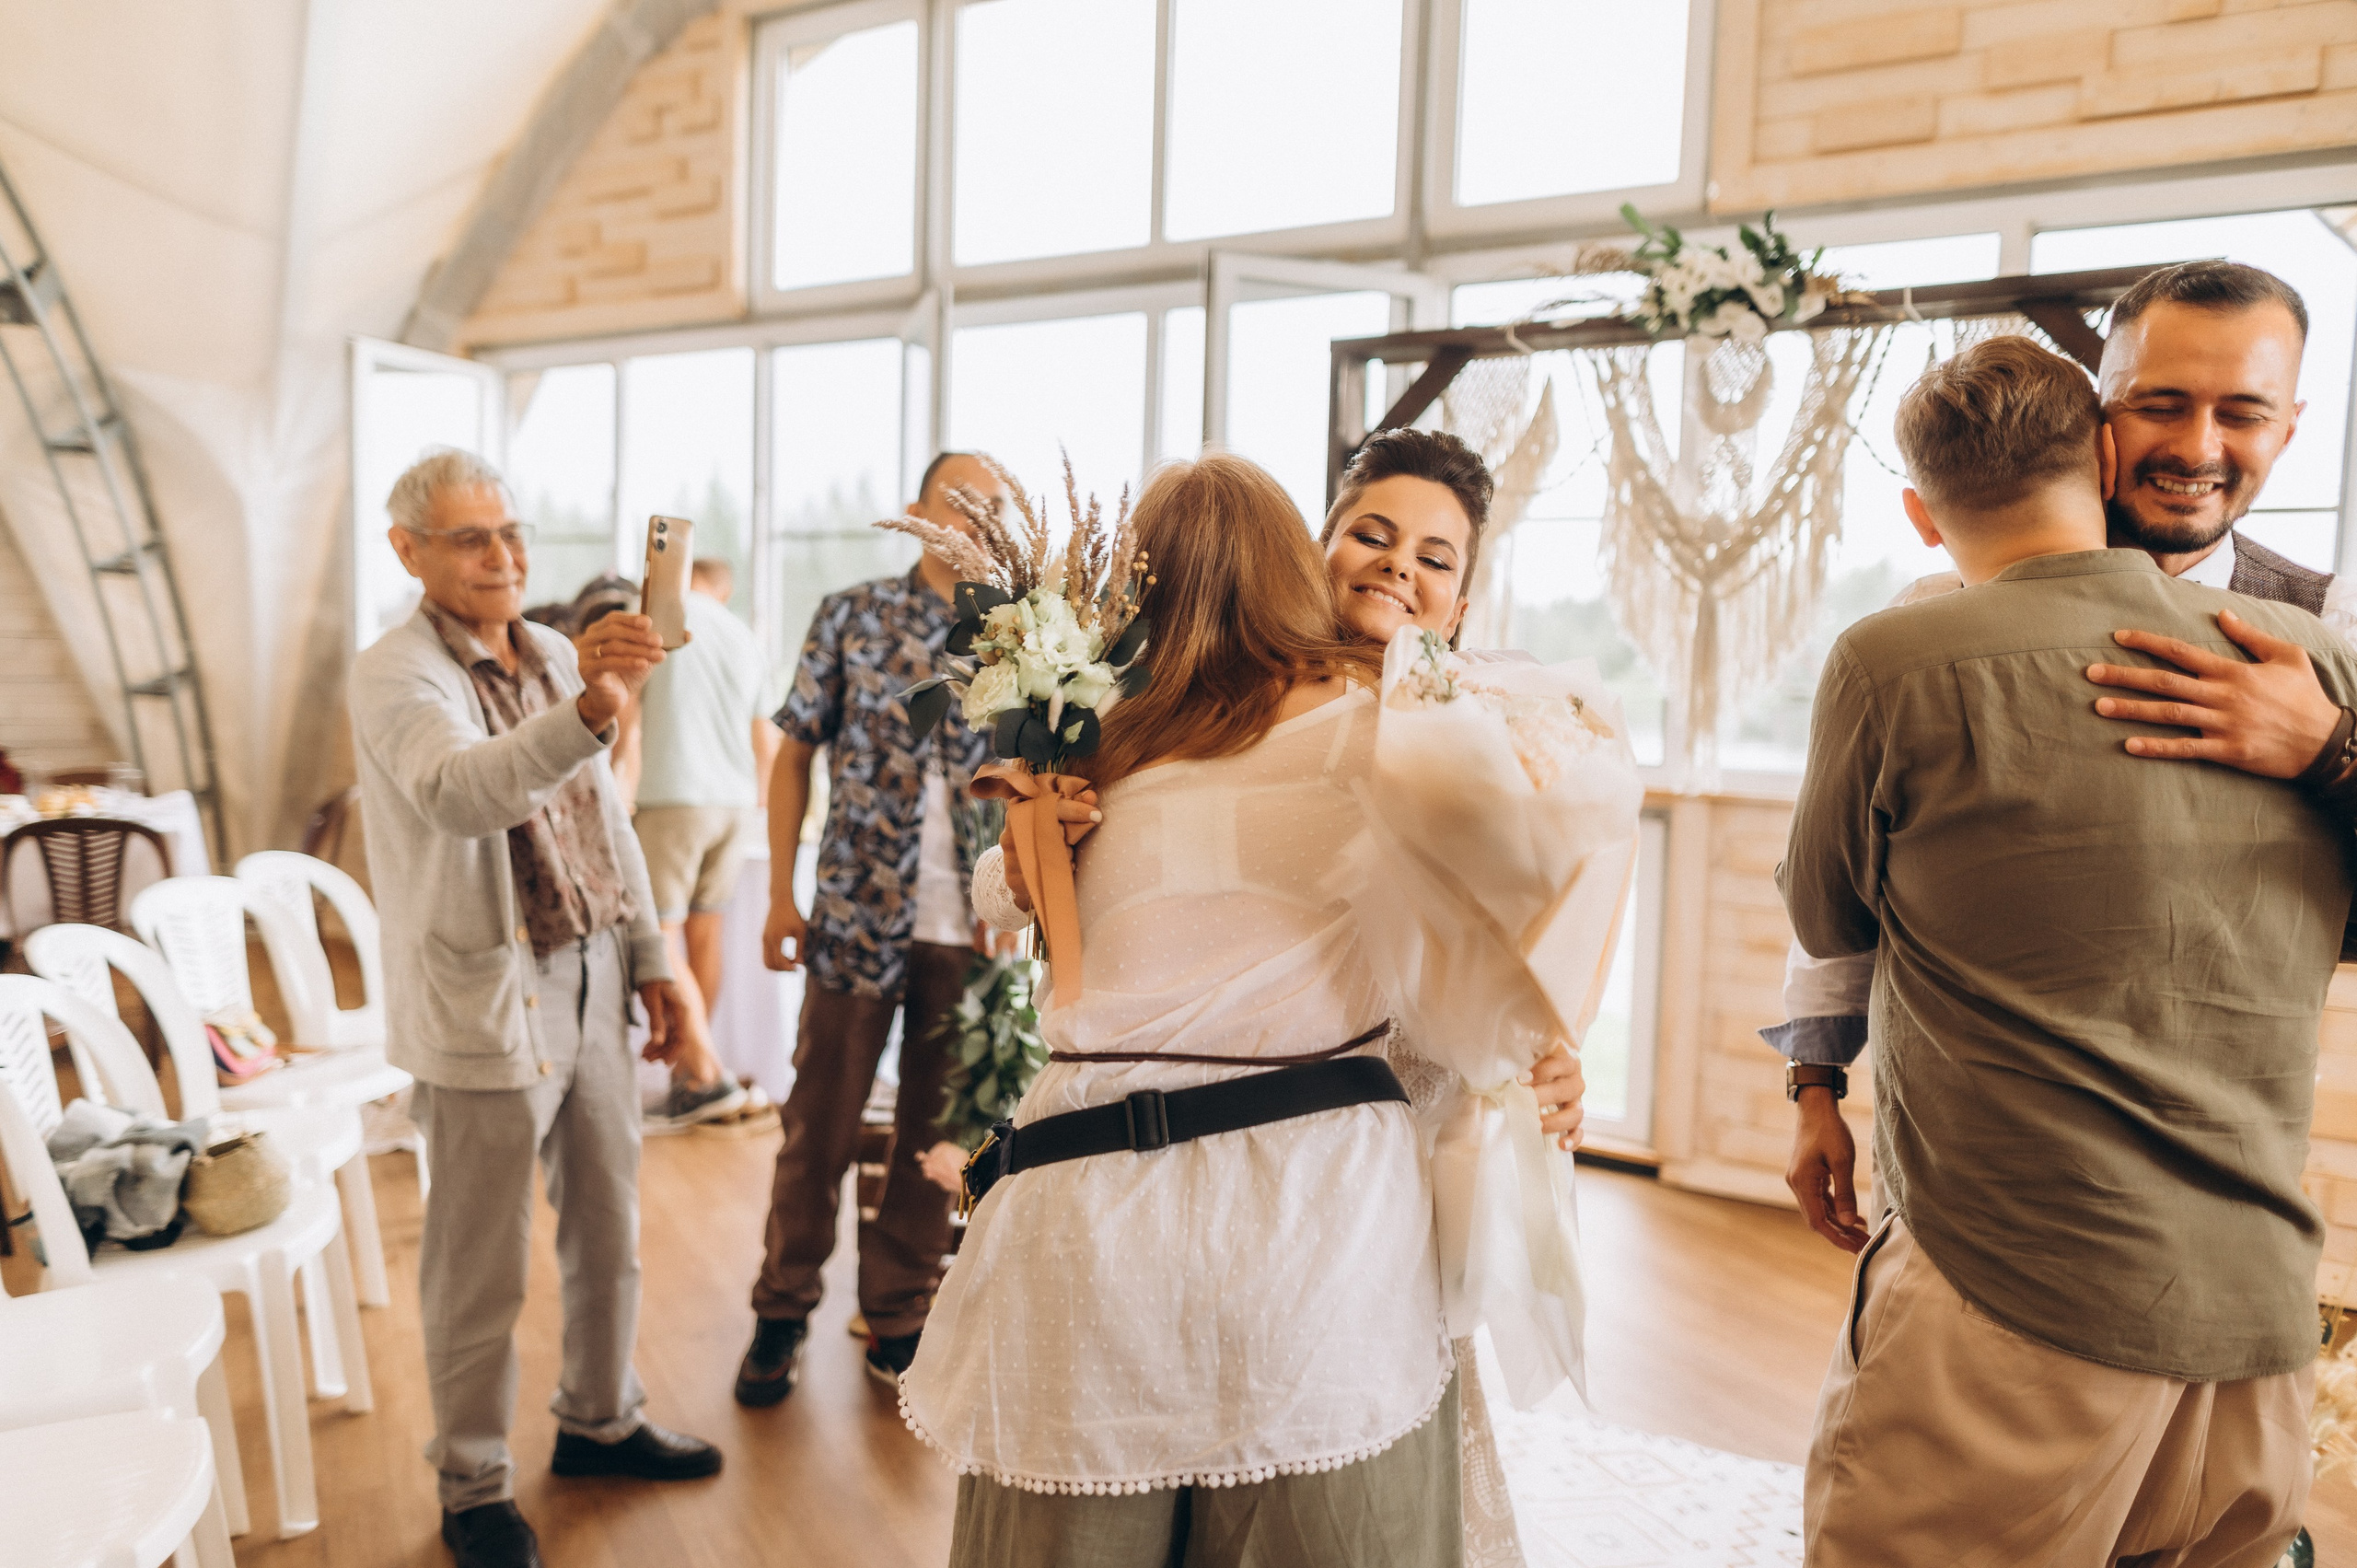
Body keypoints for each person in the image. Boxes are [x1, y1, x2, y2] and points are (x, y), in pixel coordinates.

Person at [906, 451, 1635, 1567]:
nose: (1395, 570)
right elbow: (1492, 936)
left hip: (1082, 1213)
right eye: (1372, 539)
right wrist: (1532, 1038)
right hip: (1308, 1219)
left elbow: (1013, 908)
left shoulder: (1086, 748)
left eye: (1432, 556)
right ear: (1306, 557)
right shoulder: (1400, 730)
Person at [1777, 336, 2357, 1566]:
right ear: (2103, 455)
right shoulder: (2312, 665)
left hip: (2014, 1280)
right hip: (2256, 1304)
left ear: (1920, 516)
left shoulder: (1894, 659)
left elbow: (1828, 914)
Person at [1771, 261, 2357, 1245]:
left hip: (2219, 1179)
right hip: (1971, 1181)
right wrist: (1814, 1083)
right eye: (2159, 404)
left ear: (2288, 428)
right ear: (2100, 423)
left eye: (2242, 413)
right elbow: (1848, 887)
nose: (2198, 446)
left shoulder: (2330, 626)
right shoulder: (1930, 623)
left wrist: (2331, 748)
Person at [347, 449, 720, 1568]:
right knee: (480, 1262)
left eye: (511, 532)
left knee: (609, 1225)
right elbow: (465, 793)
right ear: (408, 550)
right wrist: (597, 709)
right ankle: (470, 1483)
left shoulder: (553, 650)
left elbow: (602, 822)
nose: (503, 555)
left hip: (594, 971)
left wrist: (657, 961)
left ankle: (600, 1420)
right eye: (472, 537)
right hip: (484, 999)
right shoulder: (392, 675)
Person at [735, 452, 1015, 1406]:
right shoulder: (852, 611)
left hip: (974, 925)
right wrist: (780, 890)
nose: (973, 519)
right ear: (915, 512)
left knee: (941, 1133)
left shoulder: (1024, 632)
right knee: (819, 1120)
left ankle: (898, 1314)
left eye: (992, 506)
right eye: (957, 501)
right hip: (857, 907)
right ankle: (781, 1307)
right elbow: (794, 752)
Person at [633, 555, 779, 1129]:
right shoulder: (743, 636)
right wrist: (759, 807)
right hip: (734, 804)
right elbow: (765, 738)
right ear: (723, 588)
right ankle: (693, 1074)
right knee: (704, 935)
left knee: (661, 934)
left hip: (672, 796)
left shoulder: (656, 615)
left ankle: (704, 1072)